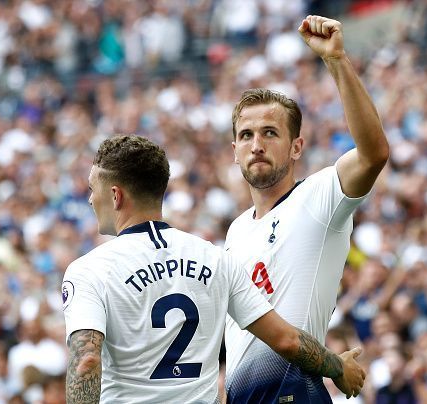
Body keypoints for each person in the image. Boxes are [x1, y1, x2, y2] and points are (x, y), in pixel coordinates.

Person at [62, 135, 366, 403]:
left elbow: (86, 360)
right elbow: (286, 339)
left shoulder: (90, 270)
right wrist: (337, 367)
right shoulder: (215, 258)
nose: (90, 199)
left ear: (116, 196)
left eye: (92, 189)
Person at [224, 15, 390, 403]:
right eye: (245, 135)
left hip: (294, 393)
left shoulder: (318, 197)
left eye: (270, 132)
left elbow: (373, 153)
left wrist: (336, 61)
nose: (256, 144)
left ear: (296, 147)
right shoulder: (235, 231)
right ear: (234, 152)